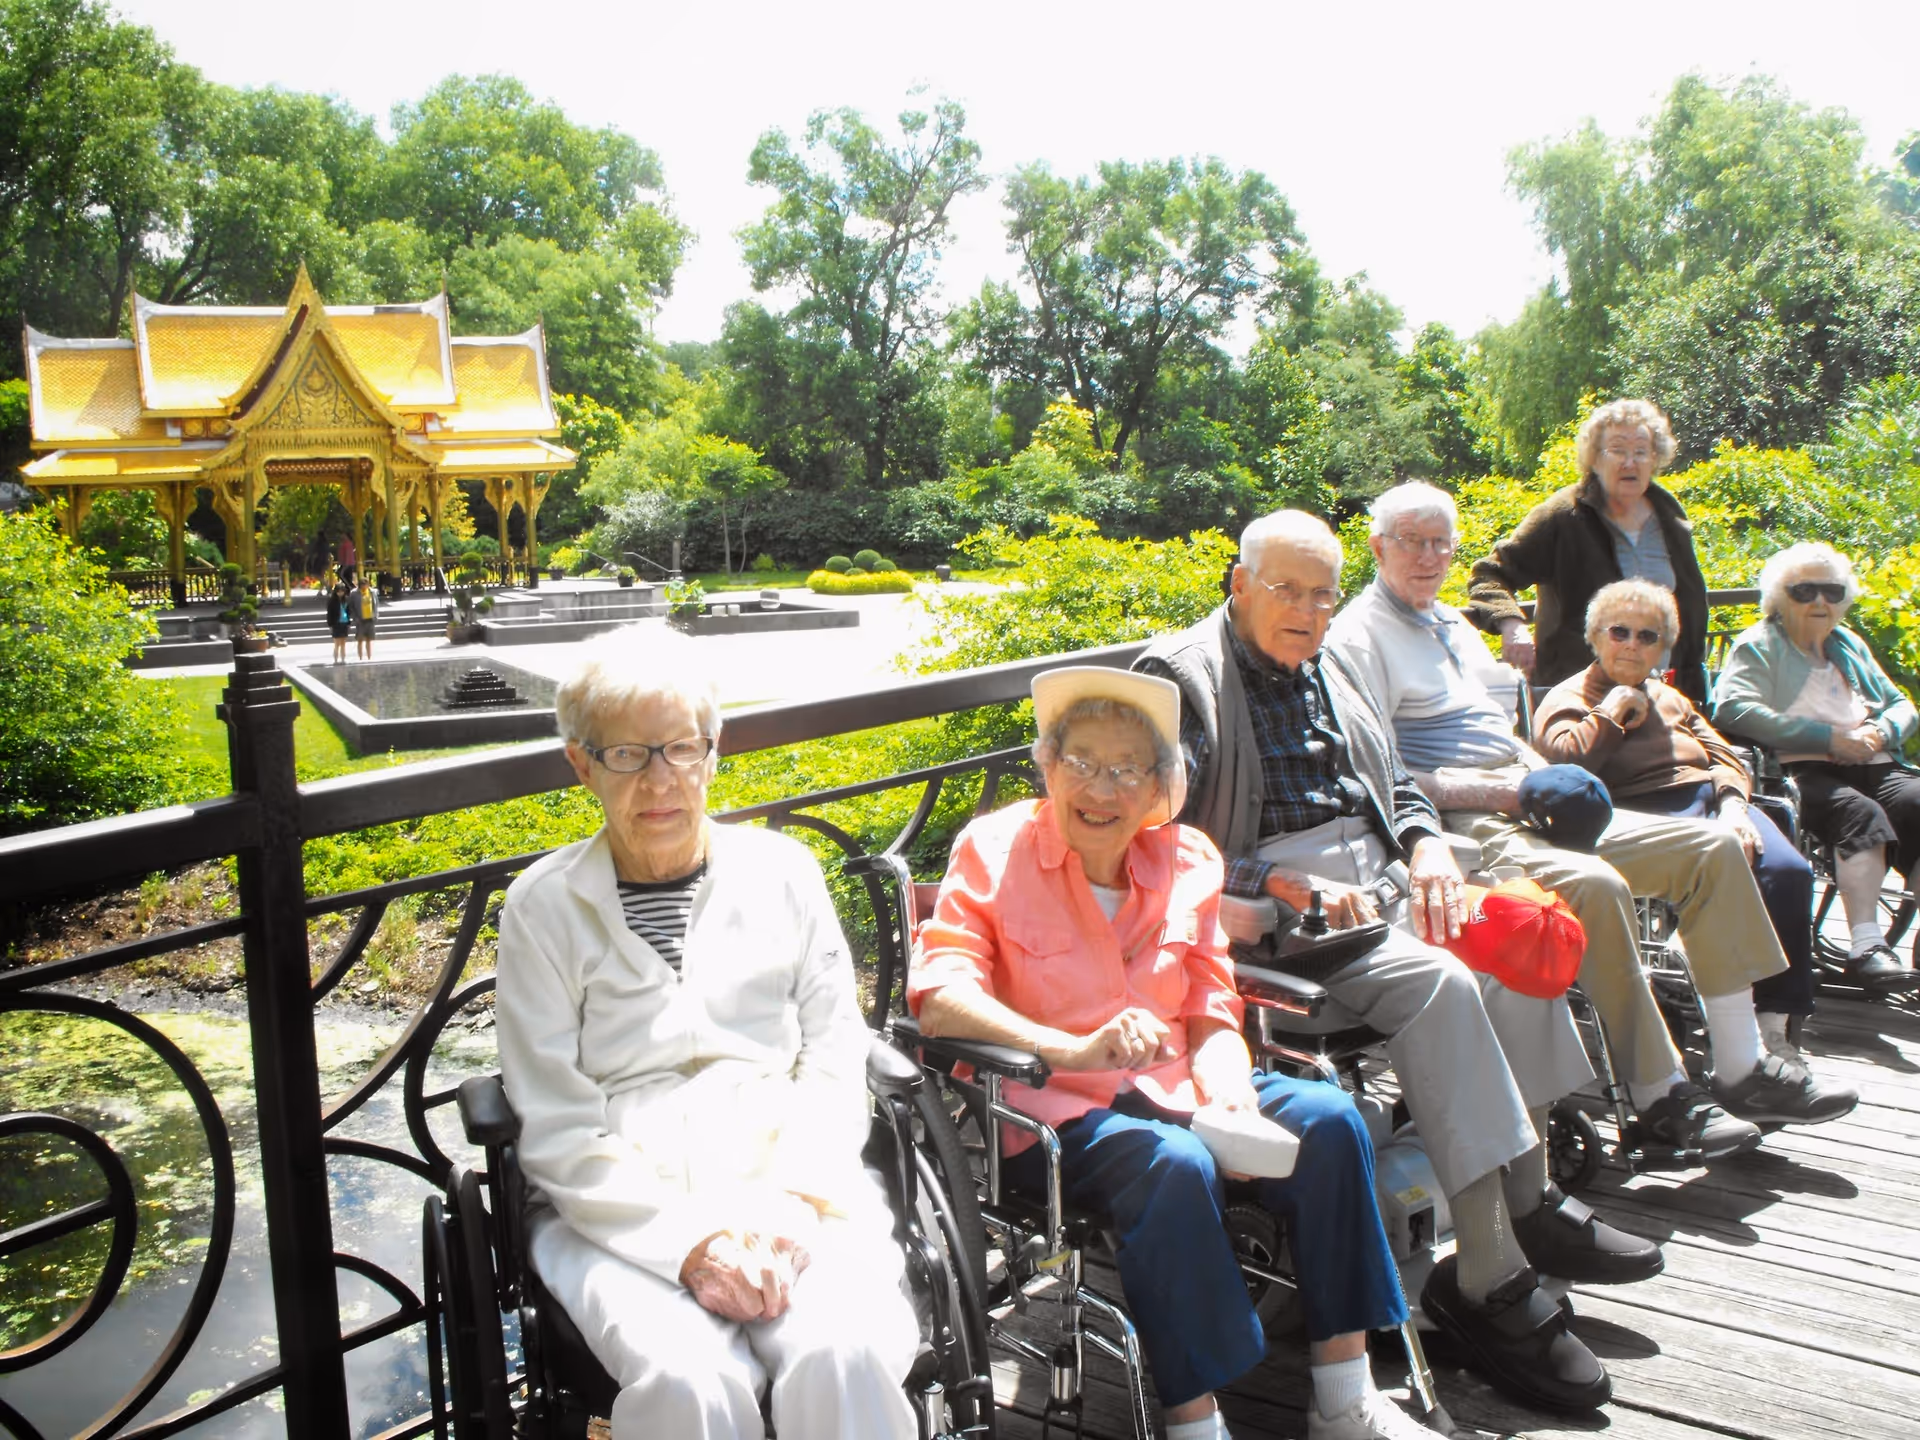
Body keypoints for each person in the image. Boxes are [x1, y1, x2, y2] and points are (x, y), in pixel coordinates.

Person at [1137, 512, 1617, 1415]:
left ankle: (1531, 1190)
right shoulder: (1185, 679)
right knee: (1441, 984)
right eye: (1287, 590)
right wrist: (1268, 876)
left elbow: (1391, 781)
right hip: (1275, 911)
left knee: (1522, 943)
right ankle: (1488, 1271)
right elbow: (1157, 837)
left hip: (1385, 877)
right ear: (1239, 583)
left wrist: (1428, 847)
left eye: (1324, 593)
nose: (1311, 612)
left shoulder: (1337, 659)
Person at [910, 666, 1431, 1440]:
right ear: (1047, 766)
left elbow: (1212, 1002)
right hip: (1052, 1119)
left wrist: (1228, 1089)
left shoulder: (1186, 859)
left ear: (1159, 786)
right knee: (1172, 1166)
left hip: (1180, 1087)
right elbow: (939, 996)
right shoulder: (993, 849)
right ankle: (1194, 1422)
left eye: (1126, 769)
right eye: (1081, 761)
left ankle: (1343, 1395)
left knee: (1328, 1119)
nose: (1100, 787)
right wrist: (1071, 1047)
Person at [494, 627, 919, 1440]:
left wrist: (795, 1204)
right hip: (619, 1214)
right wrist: (689, 1243)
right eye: (628, 755)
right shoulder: (543, 909)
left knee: (842, 1349)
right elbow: (555, 1123)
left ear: (713, 752)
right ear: (582, 764)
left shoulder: (785, 873)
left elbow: (834, 1056)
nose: (661, 780)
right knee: (688, 1378)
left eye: (682, 749)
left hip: (797, 1186)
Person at [1328, 483, 1822, 1152]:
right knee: (1596, 885)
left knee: (1712, 850)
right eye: (1412, 541)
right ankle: (1660, 1095)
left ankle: (1738, 1066)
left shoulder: (1449, 623)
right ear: (1377, 544)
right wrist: (1504, 795)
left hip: (1535, 801)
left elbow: (1503, 733)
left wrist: (1550, 777)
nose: (1429, 556)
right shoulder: (1357, 639)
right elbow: (1383, 776)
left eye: (1441, 542)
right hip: (1464, 824)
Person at [1530, 580, 1855, 1121]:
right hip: (1646, 812)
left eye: (1648, 636)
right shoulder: (1569, 697)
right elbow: (1565, 765)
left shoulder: (1671, 696)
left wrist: (1731, 806)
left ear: (1663, 648)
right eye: (1620, 632)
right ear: (1595, 637)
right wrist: (1610, 713)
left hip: (1715, 803)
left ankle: (1774, 1032)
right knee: (1740, 869)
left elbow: (1724, 754)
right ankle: (1742, 1059)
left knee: (1790, 871)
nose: (1632, 644)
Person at [1714, 542, 1920, 995]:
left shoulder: (1848, 644)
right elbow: (1732, 708)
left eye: (1831, 590)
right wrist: (1828, 738)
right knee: (1859, 815)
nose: (1820, 602)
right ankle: (1866, 947)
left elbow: (1902, 704)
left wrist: (1879, 734)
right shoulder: (1759, 644)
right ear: (1779, 596)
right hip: (1801, 768)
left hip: (1874, 758)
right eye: (1805, 591)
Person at [1465, 398, 1712, 703]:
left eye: (1641, 452)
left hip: (1662, 695)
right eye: (1618, 450)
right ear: (1594, 458)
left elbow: (1688, 607)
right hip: (1581, 697)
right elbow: (1490, 574)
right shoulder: (1563, 515)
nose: (1630, 462)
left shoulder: (1670, 516)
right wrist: (1511, 624)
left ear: (1655, 458)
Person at [325, 582, 352, 665]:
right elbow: (329, 614)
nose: (340, 593)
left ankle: (343, 659)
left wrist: (349, 623)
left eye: (342, 591)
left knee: (343, 643)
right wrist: (330, 625)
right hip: (336, 623)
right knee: (337, 643)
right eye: (338, 591)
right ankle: (336, 660)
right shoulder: (332, 601)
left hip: (344, 622)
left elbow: (349, 611)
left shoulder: (346, 599)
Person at [352, 576, 377, 660]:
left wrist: (376, 615)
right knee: (360, 640)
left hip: (370, 618)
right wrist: (355, 618)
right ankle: (360, 657)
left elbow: (375, 604)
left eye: (366, 585)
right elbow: (351, 606)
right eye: (363, 585)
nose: (364, 587)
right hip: (360, 619)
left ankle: (369, 657)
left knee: (369, 640)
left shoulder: (372, 592)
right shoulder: (354, 593)